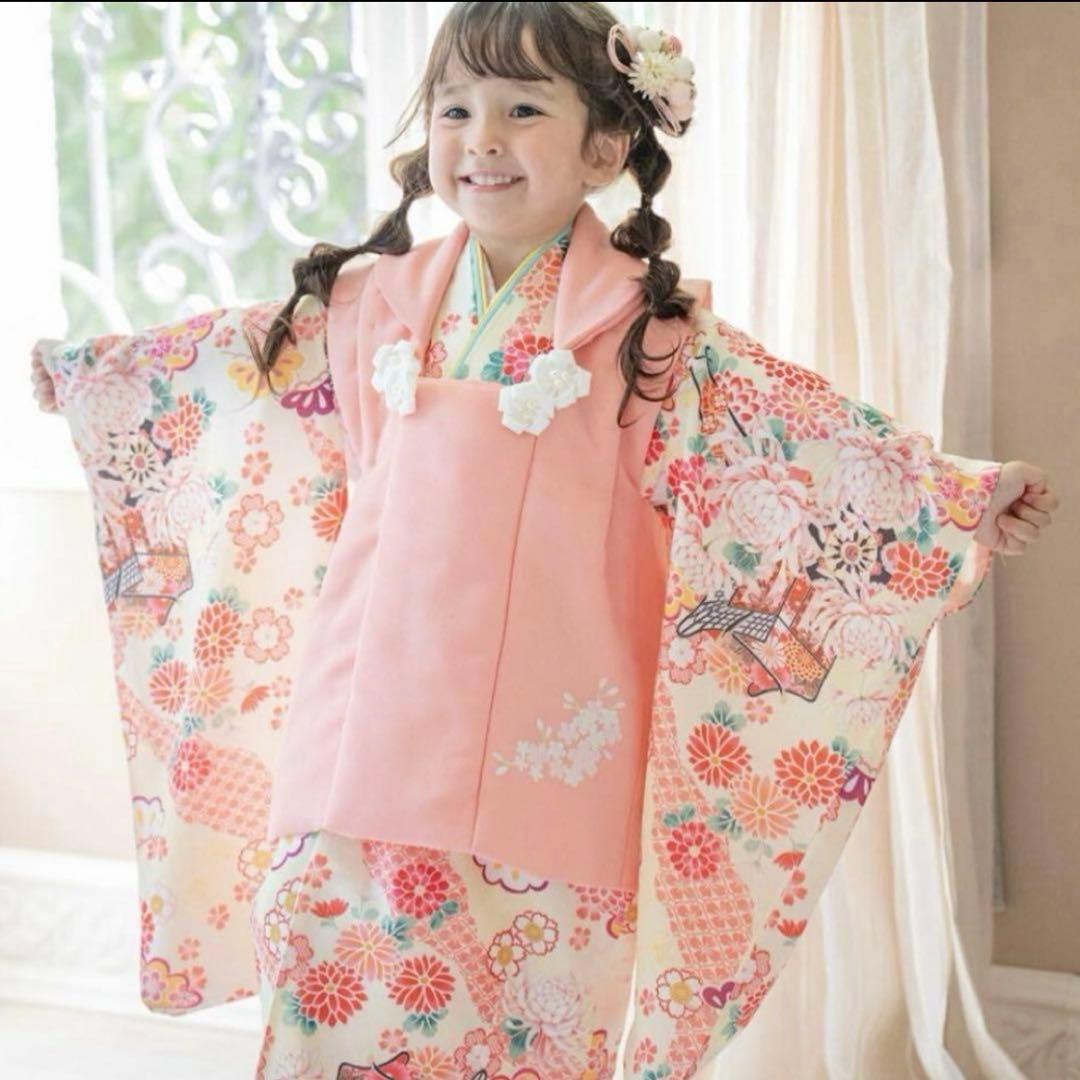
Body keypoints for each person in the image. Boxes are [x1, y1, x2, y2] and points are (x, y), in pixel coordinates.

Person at [30, 4, 1060, 1079]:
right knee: (330, 994)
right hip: (365, 720)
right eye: (455, 109)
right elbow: (232, 363)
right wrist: (97, 378)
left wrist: (956, 497)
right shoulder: (369, 304)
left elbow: (797, 440)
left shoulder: (651, 334)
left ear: (605, 147)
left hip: (554, 746)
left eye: (522, 110)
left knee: (529, 1024)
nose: (482, 138)